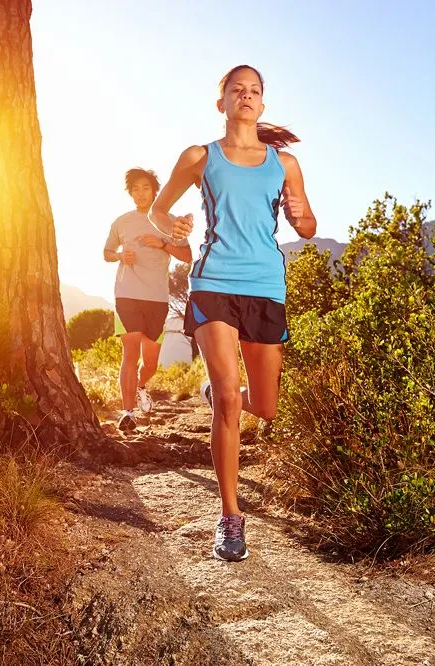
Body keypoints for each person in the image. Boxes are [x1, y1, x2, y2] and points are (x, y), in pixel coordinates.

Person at [149, 65, 317, 561]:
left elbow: (307, 224)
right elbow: (159, 210)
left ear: (262, 105)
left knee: (263, 407)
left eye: (254, 91)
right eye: (236, 90)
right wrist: (173, 226)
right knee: (228, 396)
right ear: (220, 102)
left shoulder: (283, 164)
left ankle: (212, 393)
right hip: (214, 283)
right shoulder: (201, 157)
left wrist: (299, 216)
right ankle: (229, 517)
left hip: (266, 286)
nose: (245, 96)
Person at [104, 168, 192, 431]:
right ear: (130, 193)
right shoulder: (121, 222)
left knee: (150, 362)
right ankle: (128, 413)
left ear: (155, 191)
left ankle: (142, 387)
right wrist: (120, 256)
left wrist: (161, 244)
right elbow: (107, 252)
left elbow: (187, 255)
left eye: (146, 188)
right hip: (127, 293)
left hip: (157, 298)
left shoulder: (170, 221)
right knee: (129, 355)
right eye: (136, 189)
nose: (141, 194)